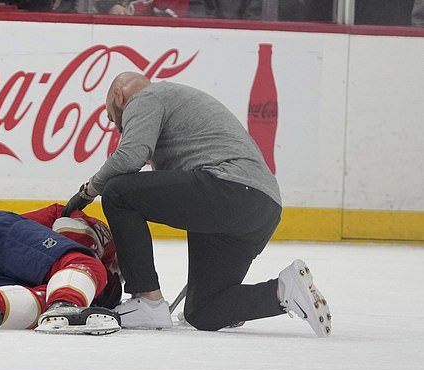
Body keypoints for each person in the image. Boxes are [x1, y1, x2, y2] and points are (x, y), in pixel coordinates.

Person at [61, 72, 332, 337]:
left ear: (119, 97)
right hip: (261, 207)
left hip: (229, 188)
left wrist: (89, 190)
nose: (118, 128)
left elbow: (130, 156)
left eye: (112, 118)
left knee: (117, 191)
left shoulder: (146, 98)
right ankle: (284, 291)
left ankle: (148, 301)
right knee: (203, 310)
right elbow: (166, 194)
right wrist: (128, 249)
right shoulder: (174, 103)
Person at [0, 203, 122, 335]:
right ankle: (64, 304)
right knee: (84, 264)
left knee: (52, 304)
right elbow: (66, 237)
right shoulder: (106, 241)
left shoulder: (112, 293)